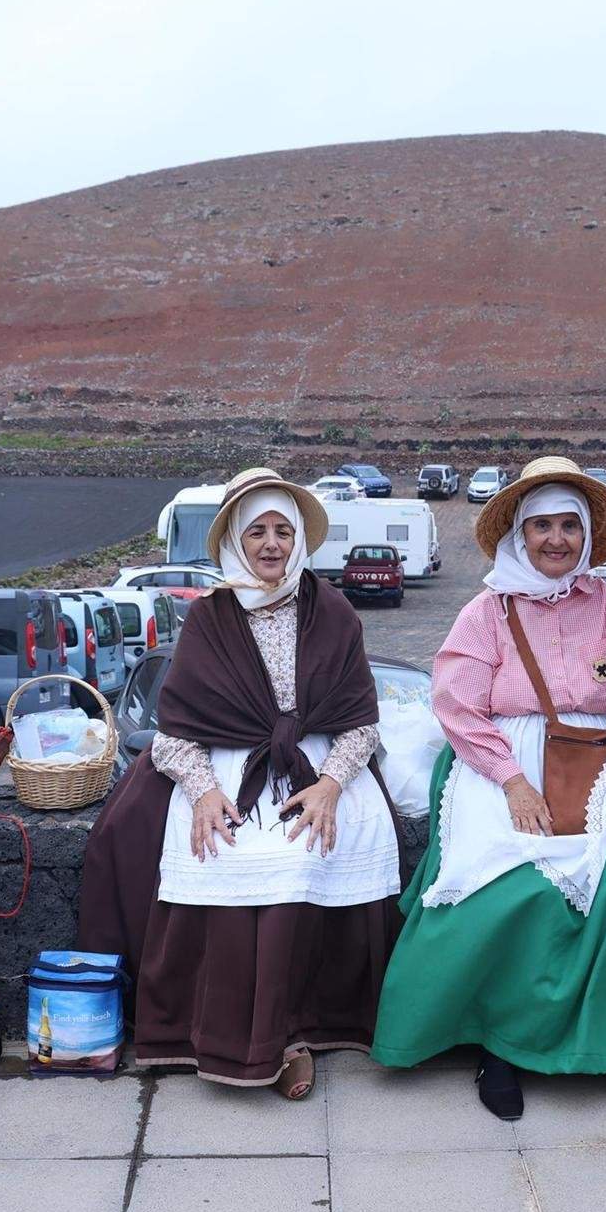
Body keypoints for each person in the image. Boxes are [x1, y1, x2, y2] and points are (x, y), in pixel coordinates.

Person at [371, 456, 606, 1121]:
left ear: (585, 534)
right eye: (541, 525)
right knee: (510, 885)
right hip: (500, 759)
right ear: (518, 533)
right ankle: (502, 1047)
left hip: (593, 758)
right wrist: (512, 781)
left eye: (569, 526)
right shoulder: (487, 610)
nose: (556, 540)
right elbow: (456, 705)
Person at [77, 469, 400, 1098]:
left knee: (311, 850)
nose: (273, 544)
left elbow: (362, 723)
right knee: (221, 849)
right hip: (228, 764)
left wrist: (332, 784)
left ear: (301, 538)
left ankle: (297, 1030)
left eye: (284, 530)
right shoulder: (210, 619)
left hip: (316, 763)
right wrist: (202, 792)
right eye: (258, 531)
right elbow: (174, 734)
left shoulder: (332, 610)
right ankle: (239, 1036)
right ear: (235, 541)